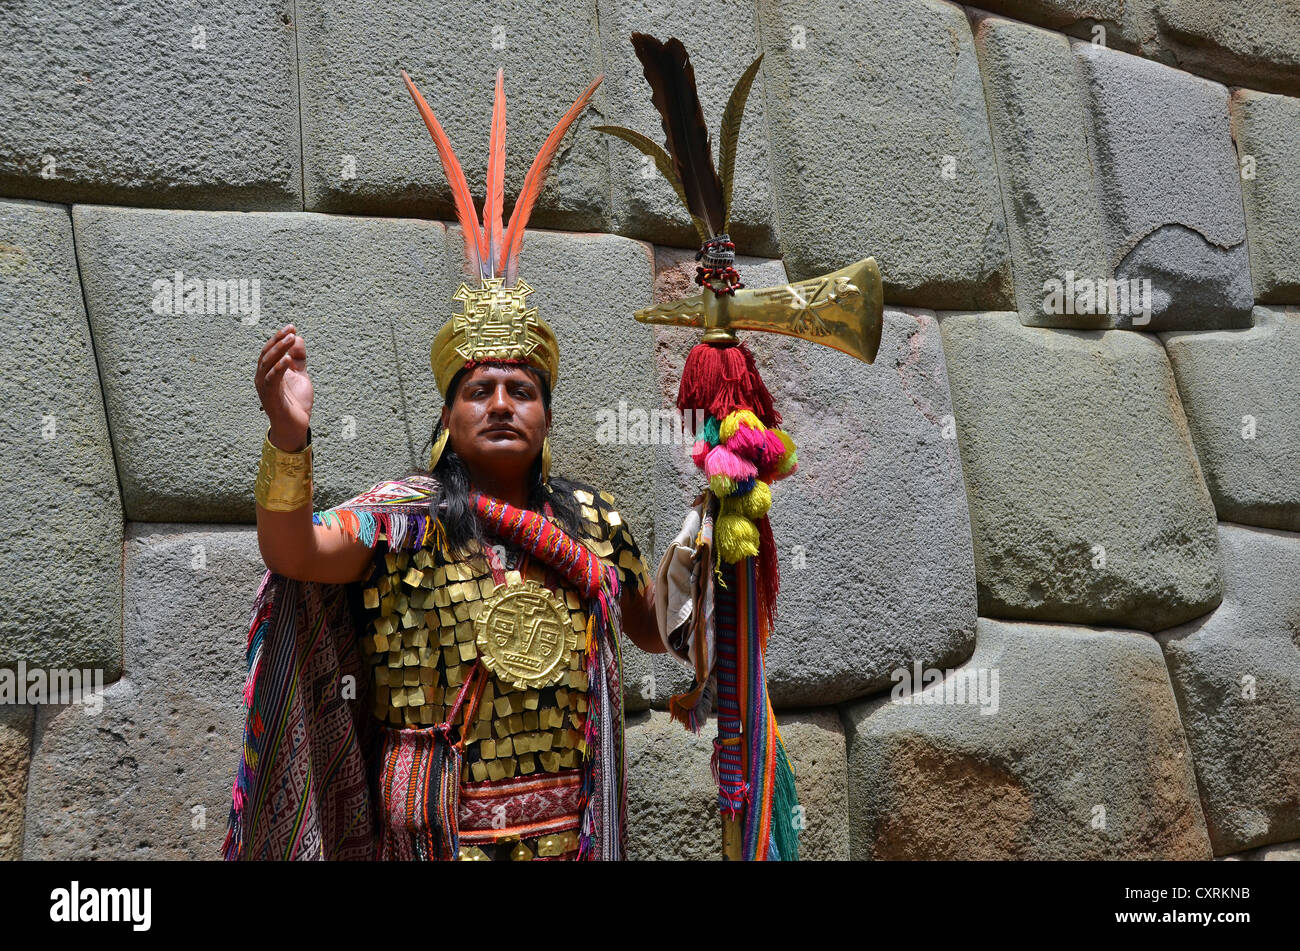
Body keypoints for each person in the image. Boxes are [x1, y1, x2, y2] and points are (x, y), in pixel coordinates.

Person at [223, 65, 663, 861]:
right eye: (481, 389)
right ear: (449, 415)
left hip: (570, 832)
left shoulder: (597, 522)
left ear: (547, 414)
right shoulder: (403, 520)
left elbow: (659, 632)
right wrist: (289, 438)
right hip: (431, 833)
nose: (502, 403)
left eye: (522, 390)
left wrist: (723, 533)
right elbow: (292, 551)